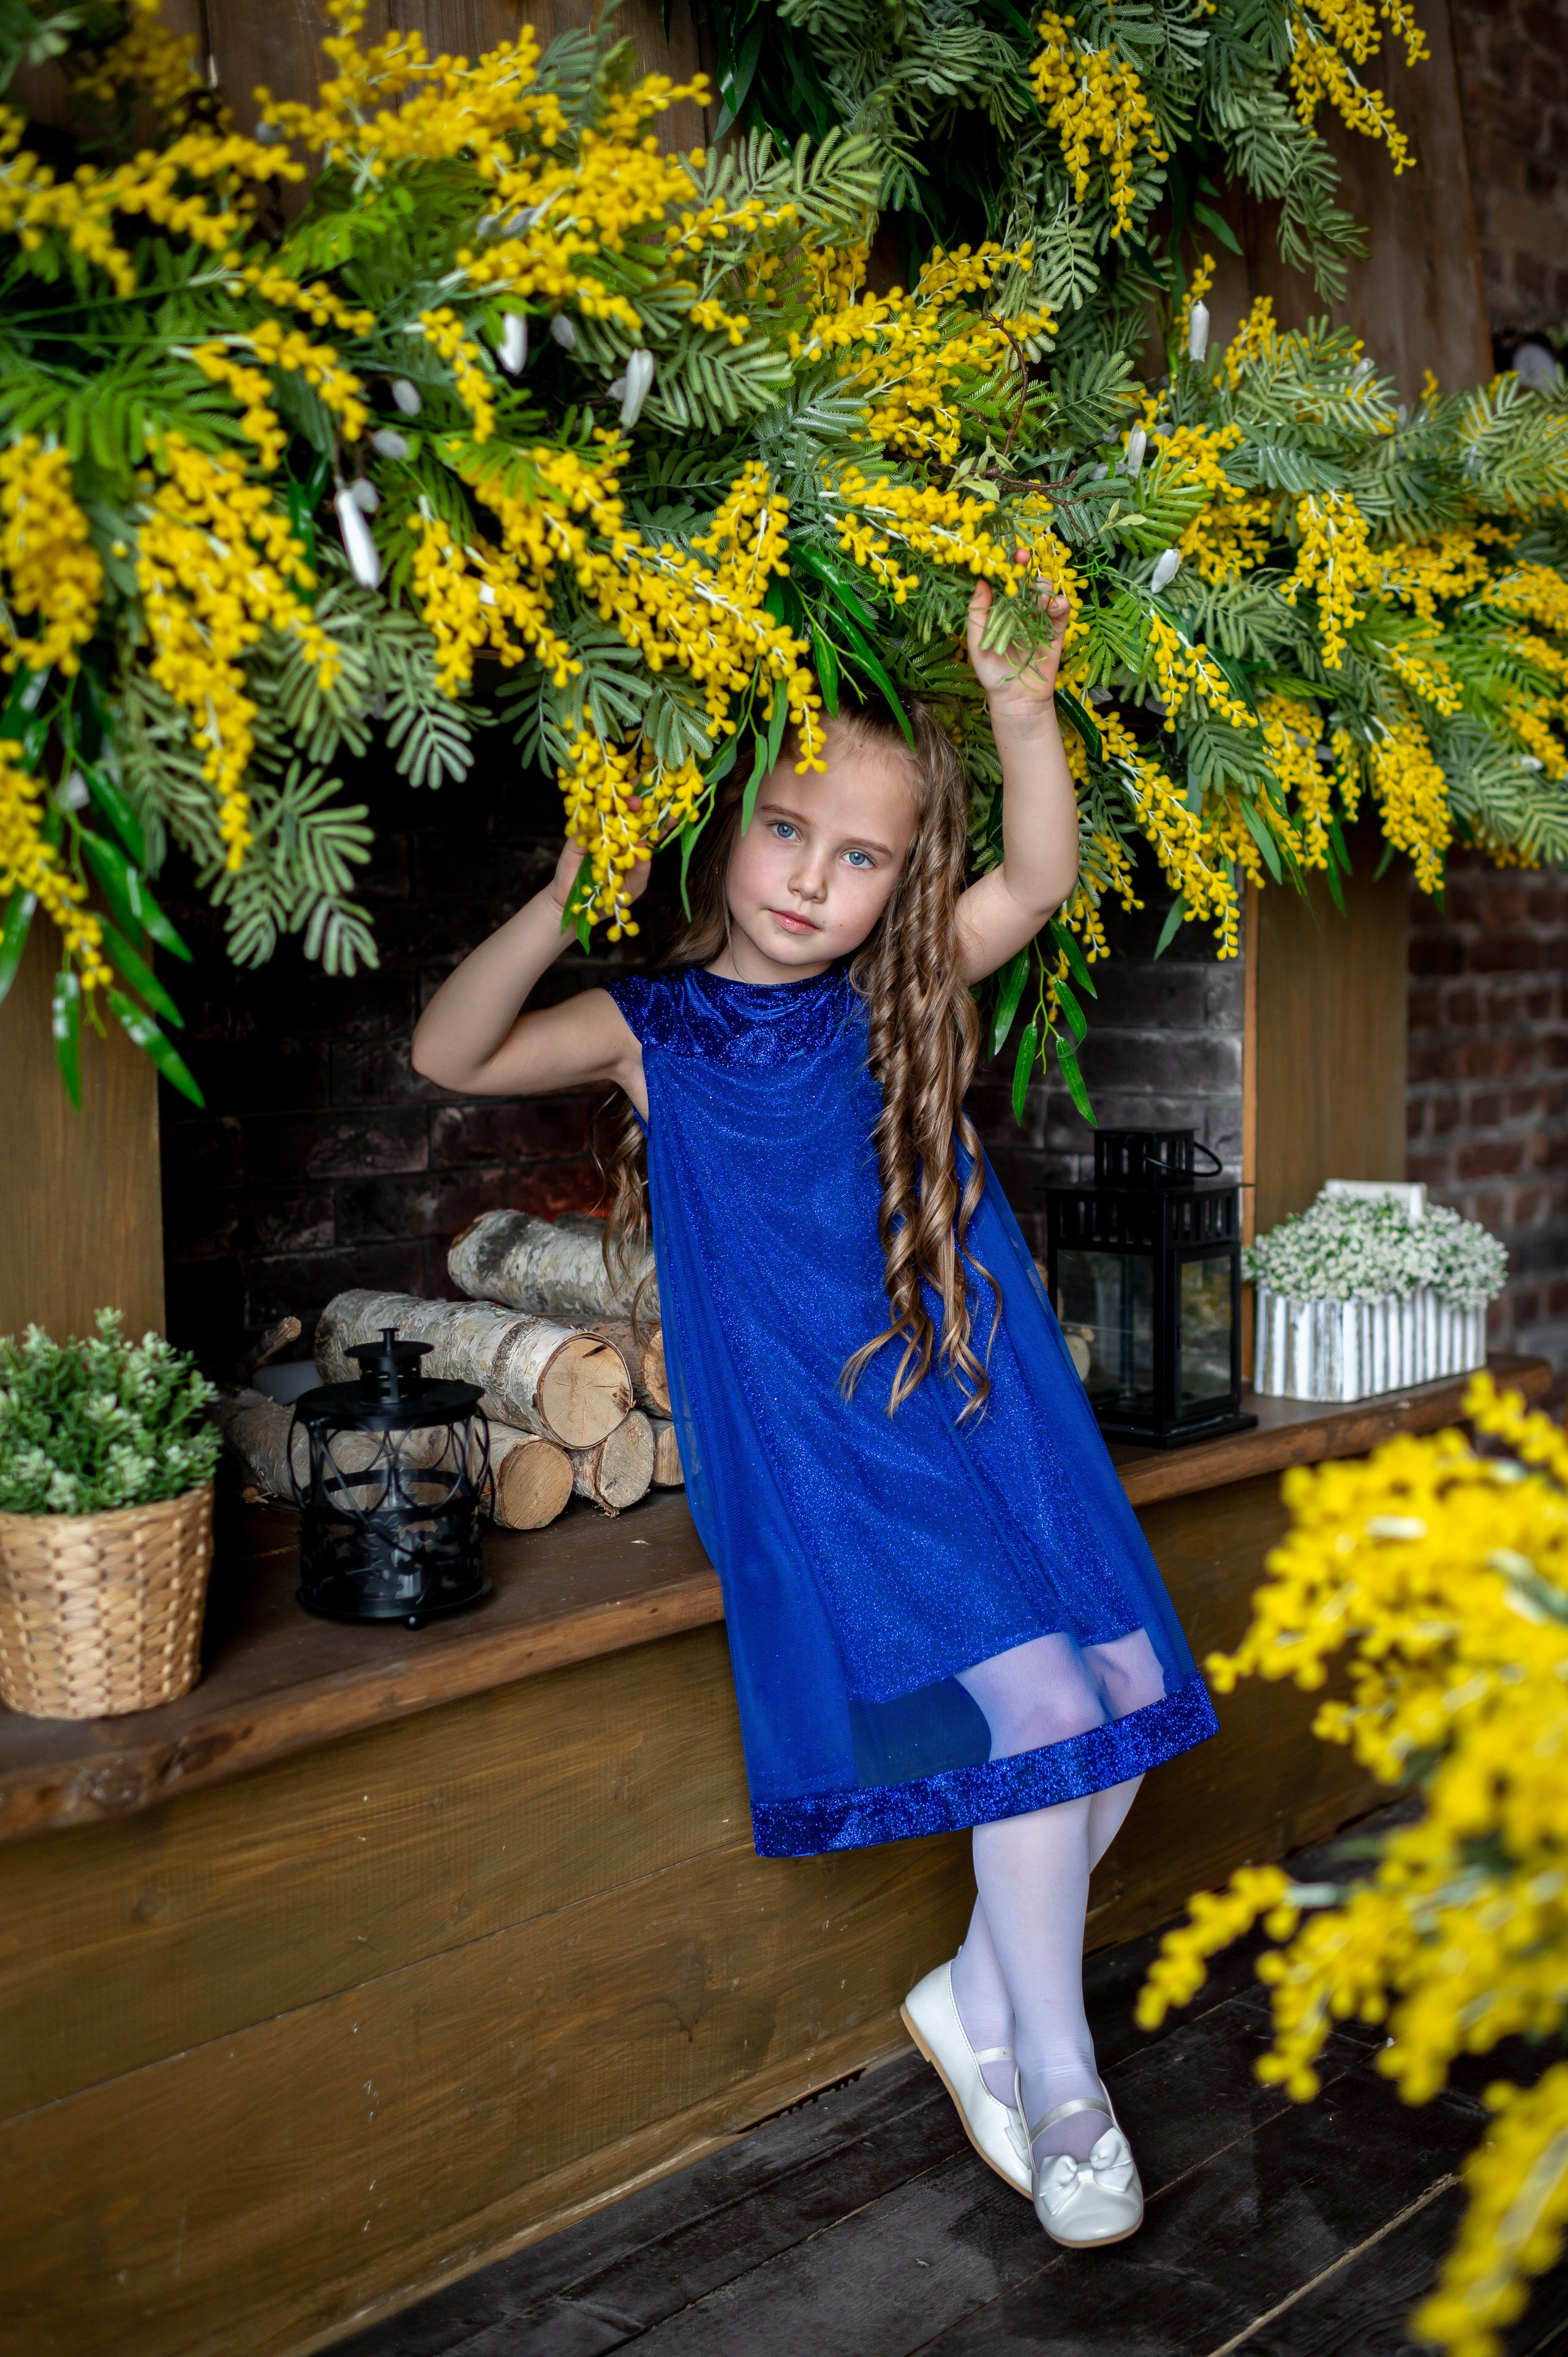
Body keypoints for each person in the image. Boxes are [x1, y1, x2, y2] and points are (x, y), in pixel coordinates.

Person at [411, 576, 1219, 2249]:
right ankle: (1058, 2072)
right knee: (1049, 1709)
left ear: (899, 884)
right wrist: (563, 899)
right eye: (788, 831)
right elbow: (453, 1056)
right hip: (828, 1437)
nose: (810, 881)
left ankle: (976, 1991)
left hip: (978, 1398)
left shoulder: (888, 995)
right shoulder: (658, 1030)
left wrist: (1021, 711)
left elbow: (1040, 877)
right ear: (731, 828)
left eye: (861, 859)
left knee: (1132, 1687)